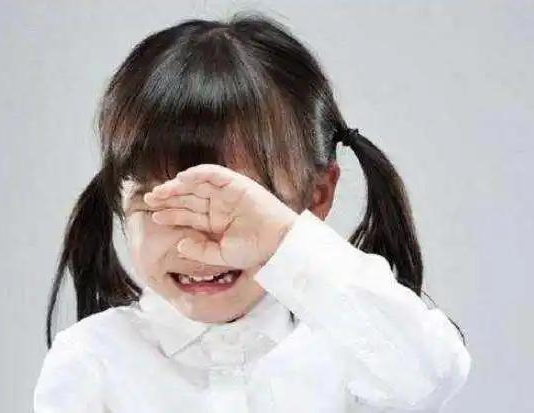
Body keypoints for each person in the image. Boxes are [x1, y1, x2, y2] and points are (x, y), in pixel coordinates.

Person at [33, 12, 471, 413]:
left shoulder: (351, 349)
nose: (197, 243)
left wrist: (284, 242)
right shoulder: (92, 362)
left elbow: (433, 377)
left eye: (232, 205)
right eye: (161, 203)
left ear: (317, 195)